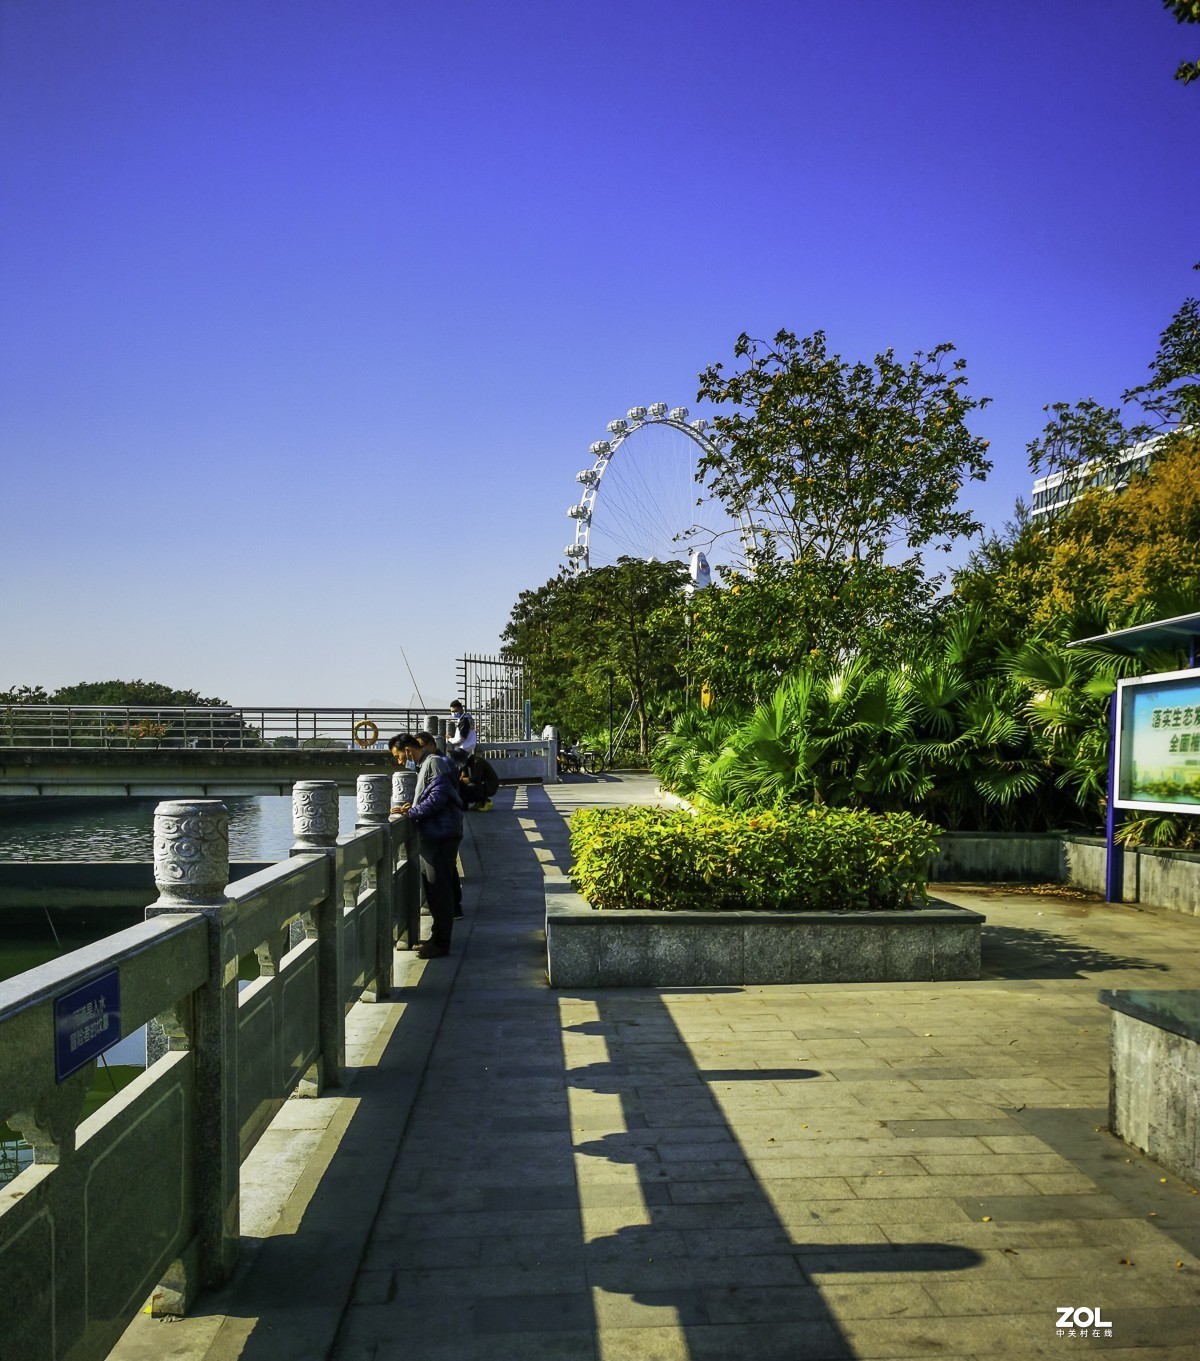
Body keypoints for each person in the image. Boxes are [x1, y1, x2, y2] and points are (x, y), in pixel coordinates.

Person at [395, 750, 463, 959]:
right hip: (438, 835)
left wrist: (413, 813)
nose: (400, 761)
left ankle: (441, 943)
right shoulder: (433, 766)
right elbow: (431, 796)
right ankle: (437, 938)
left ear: (408, 749)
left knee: (438, 889)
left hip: (441, 836)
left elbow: (438, 798)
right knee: (435, 889)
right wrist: (413, 807)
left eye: (399, 756)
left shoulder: (434, 764)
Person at [446, 698, 477, 770]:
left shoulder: (464, 720)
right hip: (469, 748)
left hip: (463, 749)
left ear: (460, 709)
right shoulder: (468, 718)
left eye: (455, 711)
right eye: (452, 711)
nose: (453, 713)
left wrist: (450, 739)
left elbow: (461, 738)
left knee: (456, 770)